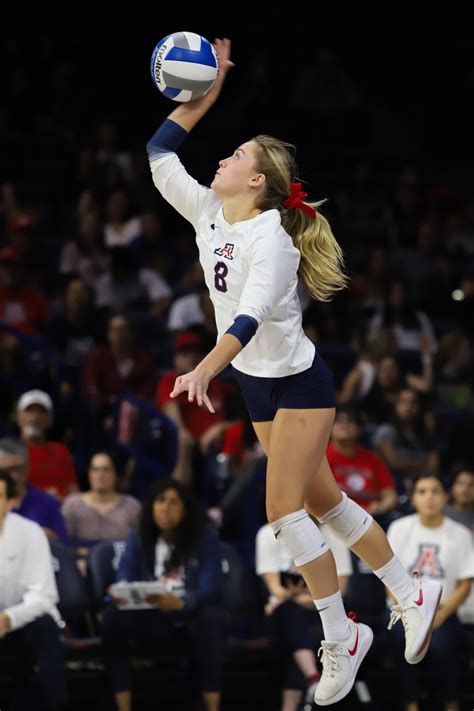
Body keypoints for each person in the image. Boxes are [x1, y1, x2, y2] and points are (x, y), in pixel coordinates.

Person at [146, 38, 441, 706]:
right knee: (324, 503)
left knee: (283, 510)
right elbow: (160, 152)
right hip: (256, 380)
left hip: (297, 382)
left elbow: (245, 319)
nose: (223, 154)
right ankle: (410, 588)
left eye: (238, 153)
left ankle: (342, 635)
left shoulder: (272, 237)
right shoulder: (208, 210)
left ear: (257, 181)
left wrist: (202, 370)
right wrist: (205, 91)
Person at [101, 479, 227, 711]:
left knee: (212, 618)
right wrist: (120, 593)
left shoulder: (204, 538)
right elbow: (124, 576)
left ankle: (212, 705)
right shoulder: (139, 536)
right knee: (111, 618)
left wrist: (180, 602)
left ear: (185, 509)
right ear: (151, 506)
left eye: (173, 503)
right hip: (152, 617)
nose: (165, 508)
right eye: (160, 501)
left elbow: (212, 588)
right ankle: (123, 706)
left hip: (190, 619)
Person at [386, 474, 474, 711]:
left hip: (443, 611)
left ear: (446, 497)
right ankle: (410, 705)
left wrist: (440, 616)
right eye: (422, 491)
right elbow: (387, 576)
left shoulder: (461, 534)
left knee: (442, 646)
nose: (429, 497)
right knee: (401, 642)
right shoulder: (399, 528)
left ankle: (451, 703)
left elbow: (465, 583)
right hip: (402, 610)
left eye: (435, 491)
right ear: (413, 498)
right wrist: (410, 611)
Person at [256, 520, 352, 711]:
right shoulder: (268, 533)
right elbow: (276, 589)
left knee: (294, 633)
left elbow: (341, 589)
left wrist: (306, 599)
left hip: (322, 611)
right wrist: (297, 597)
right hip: (284, 611)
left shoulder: (334, 533)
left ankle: (292, 703)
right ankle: (313, 680)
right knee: (290, 615)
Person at [0, 469, 68, 710]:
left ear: (11, 502)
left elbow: (44, 596)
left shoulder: (30, 532)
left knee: (46, 625)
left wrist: (9, 618)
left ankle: (56, 705)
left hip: (22, 622)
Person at [0, 437, 68, 541]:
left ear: (27, 468)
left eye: (19, 469)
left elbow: (64, 545)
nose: (14, 476)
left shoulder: (47, 502)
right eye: (9, 470)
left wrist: (46, 536)